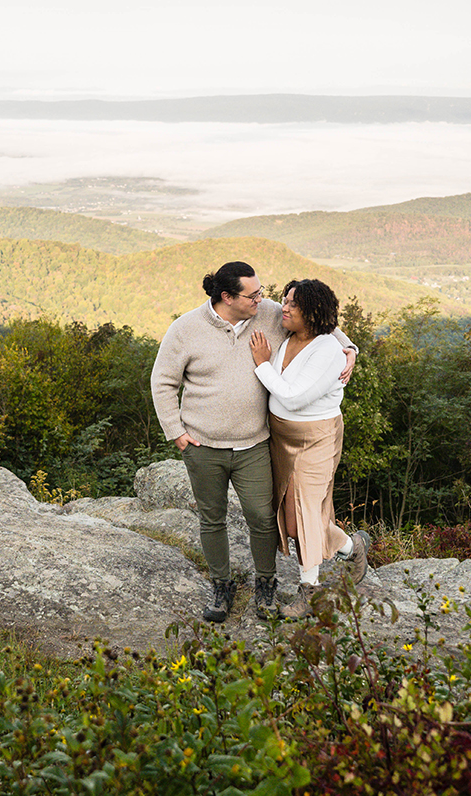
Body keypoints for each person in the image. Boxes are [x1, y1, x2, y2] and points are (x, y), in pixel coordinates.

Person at [151, 261, 355, 623]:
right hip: (203, 446)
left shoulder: (269, 314)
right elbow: (163, 381)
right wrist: (176, 432)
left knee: (263, 518)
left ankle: (266, 584)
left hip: (256, 444)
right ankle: (221, 586)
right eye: (254, 294)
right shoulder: (185, 329)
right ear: (227, 297)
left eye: (263, 293)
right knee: (212, 519)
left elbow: (318, 320)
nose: (265, 299)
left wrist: (348, 347)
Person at [249, 279, 370, 619]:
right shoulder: (289, 336)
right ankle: (352, 547)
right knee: (291, 521)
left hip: (314, 437)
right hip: (280, 438)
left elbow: (293, 397)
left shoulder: (328, 351)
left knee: (301, 516)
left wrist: (261, 363)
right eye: (285, 301)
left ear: (312, 312)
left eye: (293, 304)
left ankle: (310, 592)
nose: (283, 308)